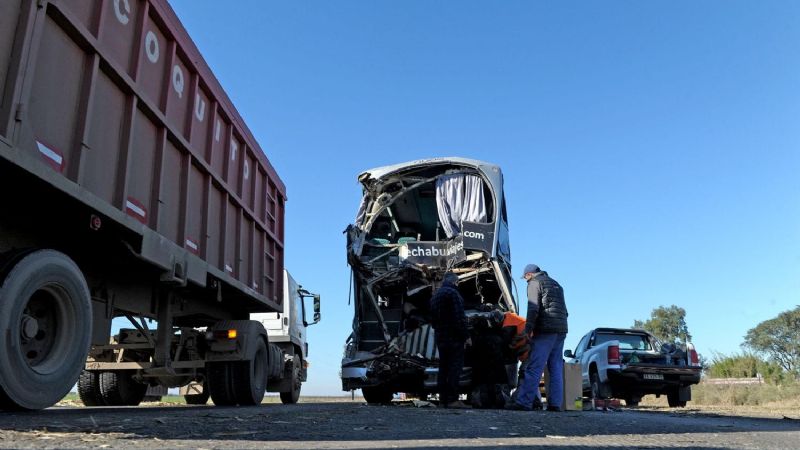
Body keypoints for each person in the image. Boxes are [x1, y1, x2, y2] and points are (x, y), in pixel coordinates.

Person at [507, 264, 568, 411]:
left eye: (525, 278)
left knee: (535, 366)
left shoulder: (534, 283)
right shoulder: (556, 284)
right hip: (561, 330)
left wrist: (528, 330)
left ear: (529, 275)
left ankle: (524, 402)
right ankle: (555, 404)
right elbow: (564, 311)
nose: (526, 281)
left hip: (545, 330)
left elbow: (533, 308)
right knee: (555, 367)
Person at [429, 272, 470, 408]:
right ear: (455, 282)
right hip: (454, 337)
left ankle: (443, 400)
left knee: (443, 368)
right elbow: (459, 318)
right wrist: (466, 336)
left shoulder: (435, 296)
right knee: (454, 368)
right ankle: (453, 400)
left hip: (440, 336)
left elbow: (432, 320)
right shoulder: (453, 294)